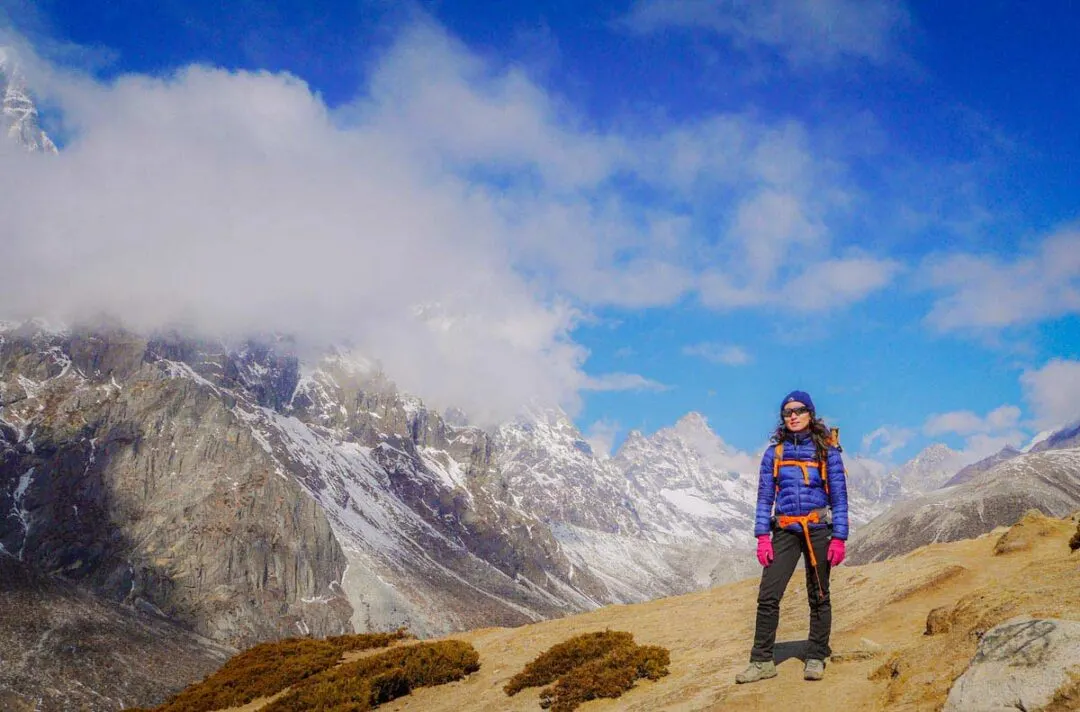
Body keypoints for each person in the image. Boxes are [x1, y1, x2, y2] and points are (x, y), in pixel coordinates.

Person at [735, 390, 849, 683]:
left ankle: (816, 655)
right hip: (784, 529)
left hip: (818, 530)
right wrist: (762, 536)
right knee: (768, 595)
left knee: (819, 595)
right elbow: (764, 498)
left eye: (799, 411)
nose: (793, 416)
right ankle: (761, 662)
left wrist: (839, 537)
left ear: (811, 414)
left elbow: (839, 497)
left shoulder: (827, 451)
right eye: (787, 413)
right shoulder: (775, 453)